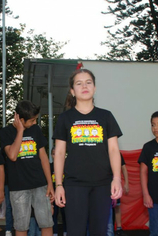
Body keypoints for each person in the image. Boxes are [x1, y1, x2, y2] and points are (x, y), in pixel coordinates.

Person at [53, 68, 123, 236]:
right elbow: (60, 153)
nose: (84, 86)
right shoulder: (65, 118)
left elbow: (114, 150)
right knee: (75, 232)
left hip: (102, 184)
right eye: (79, 83)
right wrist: (59, 185)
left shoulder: (106, 116)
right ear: (72, 91)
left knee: (99, 232)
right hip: (74, 185)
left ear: (95, 88)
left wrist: (117, 178)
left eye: (88, 82)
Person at [0, 100, 54, 236]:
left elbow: (43, 157)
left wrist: (50, 183)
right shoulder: (6, 133)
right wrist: (20, 131)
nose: (35, 123)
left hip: (40, 184)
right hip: (18, 187)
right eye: (32, 120)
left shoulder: (35, 130)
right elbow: (12, 155)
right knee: (21, 225)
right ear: (20, 119)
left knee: (46, 222)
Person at [107, 153, 129, 236]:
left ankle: (119, 228)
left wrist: (126, 183)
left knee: (117, 205)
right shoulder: (101, 150)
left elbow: (123, 167)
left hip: (114, 183)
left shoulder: (117, 153)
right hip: (103, 184)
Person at [50, 147, 67, 236]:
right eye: (53, 153)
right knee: (54, 214)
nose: (55, 155)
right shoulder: (50, 166)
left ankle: (66, 231)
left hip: (65, 194)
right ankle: (55, 232)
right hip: (53, 193)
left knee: (65, 214)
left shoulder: (66, 166)